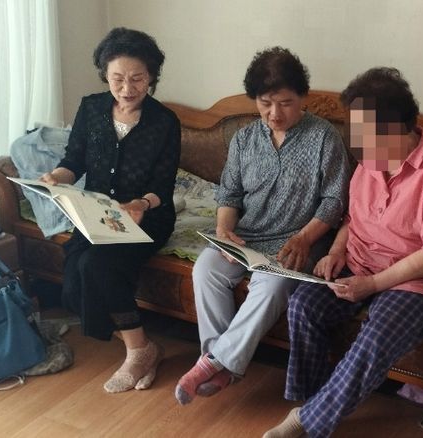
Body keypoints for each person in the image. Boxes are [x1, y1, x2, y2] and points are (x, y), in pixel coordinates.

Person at [264, 67, 423, 437]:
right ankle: (314, 401)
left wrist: (374, 284)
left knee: (377, 334)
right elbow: (352, 217)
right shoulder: (369, 160)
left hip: (416, 278)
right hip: (361, 261)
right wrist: (337, 251)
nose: (363, 147)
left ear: (402, 128)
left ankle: (306, 422)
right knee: (303, 306)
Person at [174, 47, 351, 405]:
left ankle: (213, 363)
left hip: (298, 240)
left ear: (303, 98)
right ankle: (220, 363)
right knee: (206, 269)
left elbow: (335, 201)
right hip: (248, 235)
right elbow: (230, 193)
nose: (275, 113)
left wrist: (304, 238)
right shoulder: (244, 139)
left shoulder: (324, 137)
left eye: (285, 103)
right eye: (265, 103)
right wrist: (224, 230)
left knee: (271, 286)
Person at [40, 27, 181, 393]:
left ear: (151, 76)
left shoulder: (165, 121)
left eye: (137, 78)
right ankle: (145, 345)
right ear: (105, 75)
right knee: (73, 283)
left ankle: (138, 352)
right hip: (97, 215)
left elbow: (163, 187)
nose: (127, 88)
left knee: (96, 265)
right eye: (118, 78)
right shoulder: (91, 108)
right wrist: (56, 177)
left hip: (147, 217)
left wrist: (140, 204)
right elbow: (73, 162)